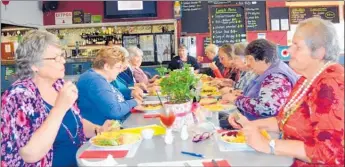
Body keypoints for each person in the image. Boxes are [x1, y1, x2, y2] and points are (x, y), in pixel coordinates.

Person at [228, 17, 344, 167]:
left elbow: (329, 152)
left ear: (319, 52)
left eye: (297, 46)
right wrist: (252, 126)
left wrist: (269, 144)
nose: (289, 50)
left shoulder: (331, 84)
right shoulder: (306, 79)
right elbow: (282, 120)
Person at [1, 30, 116, 167]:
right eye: (56, 58)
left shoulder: (58, 85)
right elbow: (30, 154)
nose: (63, 60)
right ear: (34, 65)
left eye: (62, 55)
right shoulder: (17, 96)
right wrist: (59, 108)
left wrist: (98, 130)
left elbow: (75, 124)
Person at [222, 39, 299, 120]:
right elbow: (262, 94)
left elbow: (267, 108)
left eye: (250, 59)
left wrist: (236, 99)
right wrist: (241, 94)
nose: (248, 64)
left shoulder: (276, 77)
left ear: (264, 59)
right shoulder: (268, 70)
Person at [77, 46, 143, 126]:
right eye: (118, 67)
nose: (120, 71)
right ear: (106, 66)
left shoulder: (96, 77)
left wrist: (130, 93)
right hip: (104, 131)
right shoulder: (96, 81)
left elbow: (108, 93)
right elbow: (115, 111)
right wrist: (134, 102)